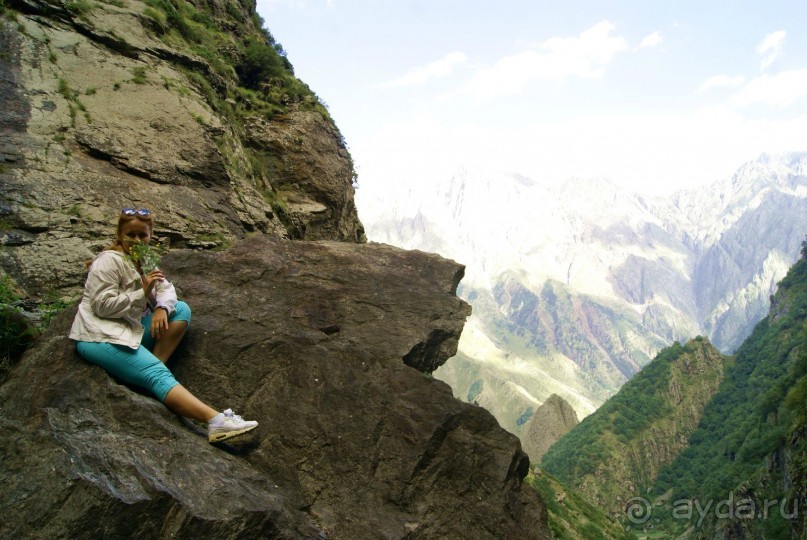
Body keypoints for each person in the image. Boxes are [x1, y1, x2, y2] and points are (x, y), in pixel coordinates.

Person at [69, 207, 258, 443]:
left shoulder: (143, 259)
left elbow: (166, 289)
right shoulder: (108, 260)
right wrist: (143, 292)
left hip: (128, 329)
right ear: (120, 234)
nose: (137, 240)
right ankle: (216, 422)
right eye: (131, 235)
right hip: (98, 336)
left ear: (150, 236)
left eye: (142, 235)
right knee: (155, 374)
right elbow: (101, 306)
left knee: (180, 310)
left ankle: (150, 372)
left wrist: (160, 308)